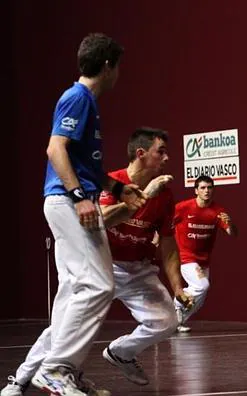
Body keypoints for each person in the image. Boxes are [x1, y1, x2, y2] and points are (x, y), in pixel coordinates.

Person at [2, 33, 149, 396]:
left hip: (67, 200)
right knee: (100, 285)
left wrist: (115, 188)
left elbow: (84, 162)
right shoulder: (77, 98)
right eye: (118, 68)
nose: (119, 76)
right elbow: (56, 149)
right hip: (68, 203)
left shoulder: (86, 103)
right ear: (107, 66)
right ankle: (56, 369)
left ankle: (42, 375)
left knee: (72, 293)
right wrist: (80, 197)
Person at [1, 128, 191, 395]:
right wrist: (144, 194)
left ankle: (121, 353)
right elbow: (103, 219)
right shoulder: (112, 182)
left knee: (166, 320)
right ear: (141, 154)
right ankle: (20, 380)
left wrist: (178, 287)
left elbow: (169, 244)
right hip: (101, 264)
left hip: (137, 270)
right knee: (65, 326)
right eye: (161, 151)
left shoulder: (166, 195)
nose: (167, 158)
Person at [173, 176, 238, 333]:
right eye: (202, 188)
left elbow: (232, 233)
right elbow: (165, 223)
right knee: (202, 285)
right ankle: (177, 301)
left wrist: (230, 223)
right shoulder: (183, 207)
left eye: (209, 187)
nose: (206, 191)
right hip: (185, 256)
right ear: (196, 191)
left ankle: (176, 322)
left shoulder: (218, 211)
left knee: (200, 299)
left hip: (204, 259)